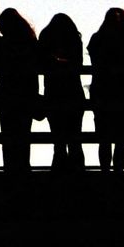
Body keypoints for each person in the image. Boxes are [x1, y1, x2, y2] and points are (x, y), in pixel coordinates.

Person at [89, 8, 124, 171]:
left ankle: (107, 172)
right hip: (121, 92)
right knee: (118, 138)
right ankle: (117, 171)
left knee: (107, 137)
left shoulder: (98, 39)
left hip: (105, 92)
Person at [38, 14, 84, 171]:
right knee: (75, 138)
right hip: (74, 93)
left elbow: (42, 62)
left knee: (58, 139)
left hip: (53, 93)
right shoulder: (74, 39)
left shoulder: (45, 37)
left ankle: (59, 171)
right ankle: (78, 171)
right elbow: (78, 63)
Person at [0, 8, 39, 172]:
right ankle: (23, 167)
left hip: (6, 92)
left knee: (8, 133)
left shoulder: (2, 44)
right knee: (23, 133)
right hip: (26, 91)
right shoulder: (30, 41)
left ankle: (10, 168)